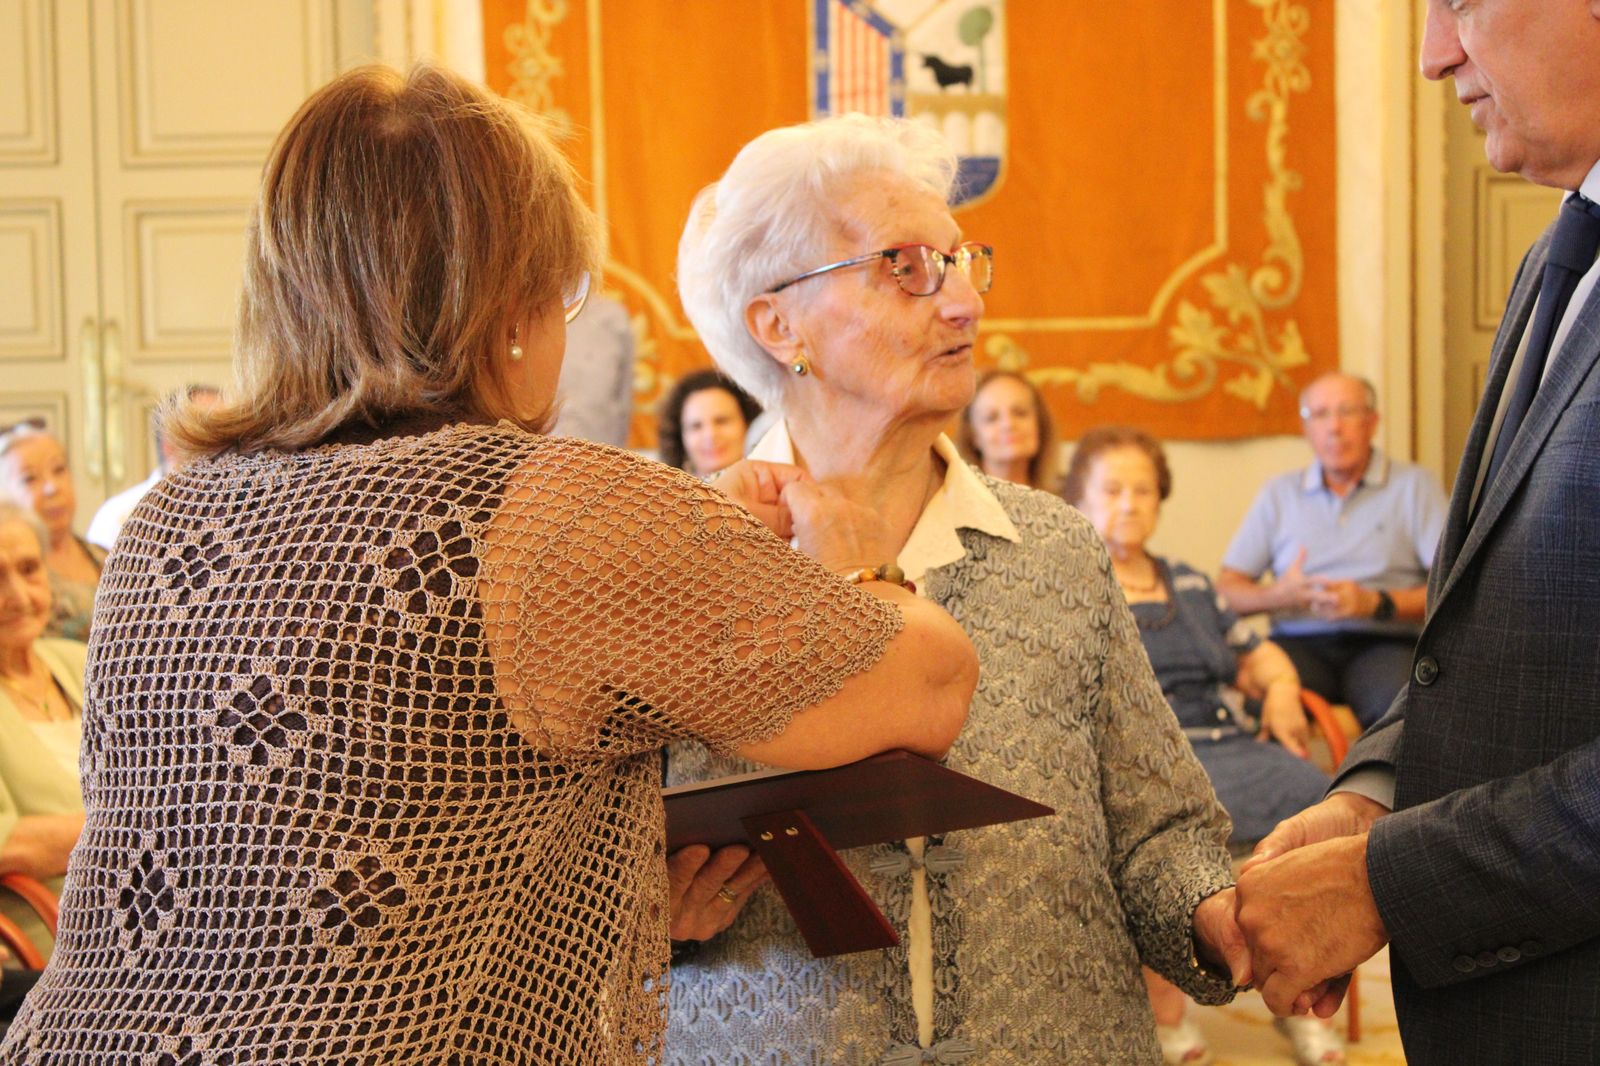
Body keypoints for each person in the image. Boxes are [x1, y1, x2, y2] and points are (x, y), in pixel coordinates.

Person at [0, 65, 981, 1065]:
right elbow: (931, 683)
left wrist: (611, 878)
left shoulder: (164, 524)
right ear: (510, 306)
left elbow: (309, 861)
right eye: (561, 296)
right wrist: (857, 566)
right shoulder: (546, 505)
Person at [663, 113, 1249, 1065]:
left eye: (963, 261)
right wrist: (656, 922)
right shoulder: (675, 559)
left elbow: (1159, 830)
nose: (965, 304)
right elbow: (579, 887)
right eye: (904, 266)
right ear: (779, 325)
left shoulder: (1053, 548)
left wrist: (1219, 916)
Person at [1233, 3, 1600, 1062]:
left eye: (1462, 4)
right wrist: (1375, 796)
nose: (1434, 54)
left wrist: (1383, 880)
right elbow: (1483, 648)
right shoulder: (1553, 260)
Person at [1064, 427, 1342, 1066]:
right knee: (1149, 838)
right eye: (1112, 490)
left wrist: (1279, 686)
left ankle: (1299, 993)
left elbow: (1255, 651)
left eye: (1143, 490)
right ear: (1079, 498)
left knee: (1319, 802)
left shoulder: (1189, 581)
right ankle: (1165, 1009)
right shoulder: (1073, 586)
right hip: (1144, 763)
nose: (1129, 503)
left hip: (1226, 743)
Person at [1216, 373, 1447, 726]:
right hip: (1297, 642)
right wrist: (1282, 595)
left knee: (1401, 715)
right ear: (1306, 429)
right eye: (1320, 415)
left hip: (1383, 641)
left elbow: (1453, 591)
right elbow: (1226, 595)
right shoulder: (1279, 493)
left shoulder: (1415, 486)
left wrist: (1376, 603)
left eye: (1347, 412)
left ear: (1372, 423)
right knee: (1248, 702)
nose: (1334, 427)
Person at [0, 502, 87, 958]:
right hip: (54, 937)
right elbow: (10, 841)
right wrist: (144, 825)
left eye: (29, 570)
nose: (17, 595)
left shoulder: (79, 661)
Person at [0, 426, 105, 643]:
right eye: (29, 479)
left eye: (59, 470)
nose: (51, 488)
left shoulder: (106, 556)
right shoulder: (14, 574)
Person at [85, 385, 222, 552]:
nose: (231, 446)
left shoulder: (246, 513)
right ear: (170, 445)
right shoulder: (116, 519)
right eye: (213, 432)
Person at [550, 291, 636, 446]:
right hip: (535, 461)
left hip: (600, 458)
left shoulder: (612, 317)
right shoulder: (520, 313)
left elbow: (623, 404)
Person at [956, 368, 1060, 490]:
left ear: (1040, 423)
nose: (1008, 424)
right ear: (973, 435)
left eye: (1020, 413)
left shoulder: (1065, 503)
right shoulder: (955, 503)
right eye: (991, 418)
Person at [654, 368, 762, 478]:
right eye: (696, 426)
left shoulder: (775, 491)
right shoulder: (660, 492)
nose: (710, 435)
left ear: (748, 423)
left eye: (721, 421)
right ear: (679, 437)